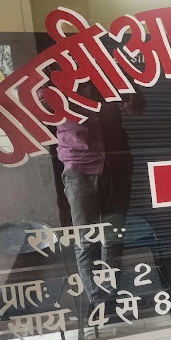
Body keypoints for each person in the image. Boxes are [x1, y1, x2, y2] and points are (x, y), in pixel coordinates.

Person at [52, 82, 145, 308]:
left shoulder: (109, 69)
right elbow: (42, 105)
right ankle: (98, 302)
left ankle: (111, 296)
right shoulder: (54, 72)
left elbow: (137, 106)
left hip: (117, 162)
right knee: (87, 240)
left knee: (114, 237)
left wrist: (131, 96)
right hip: (79, 165)